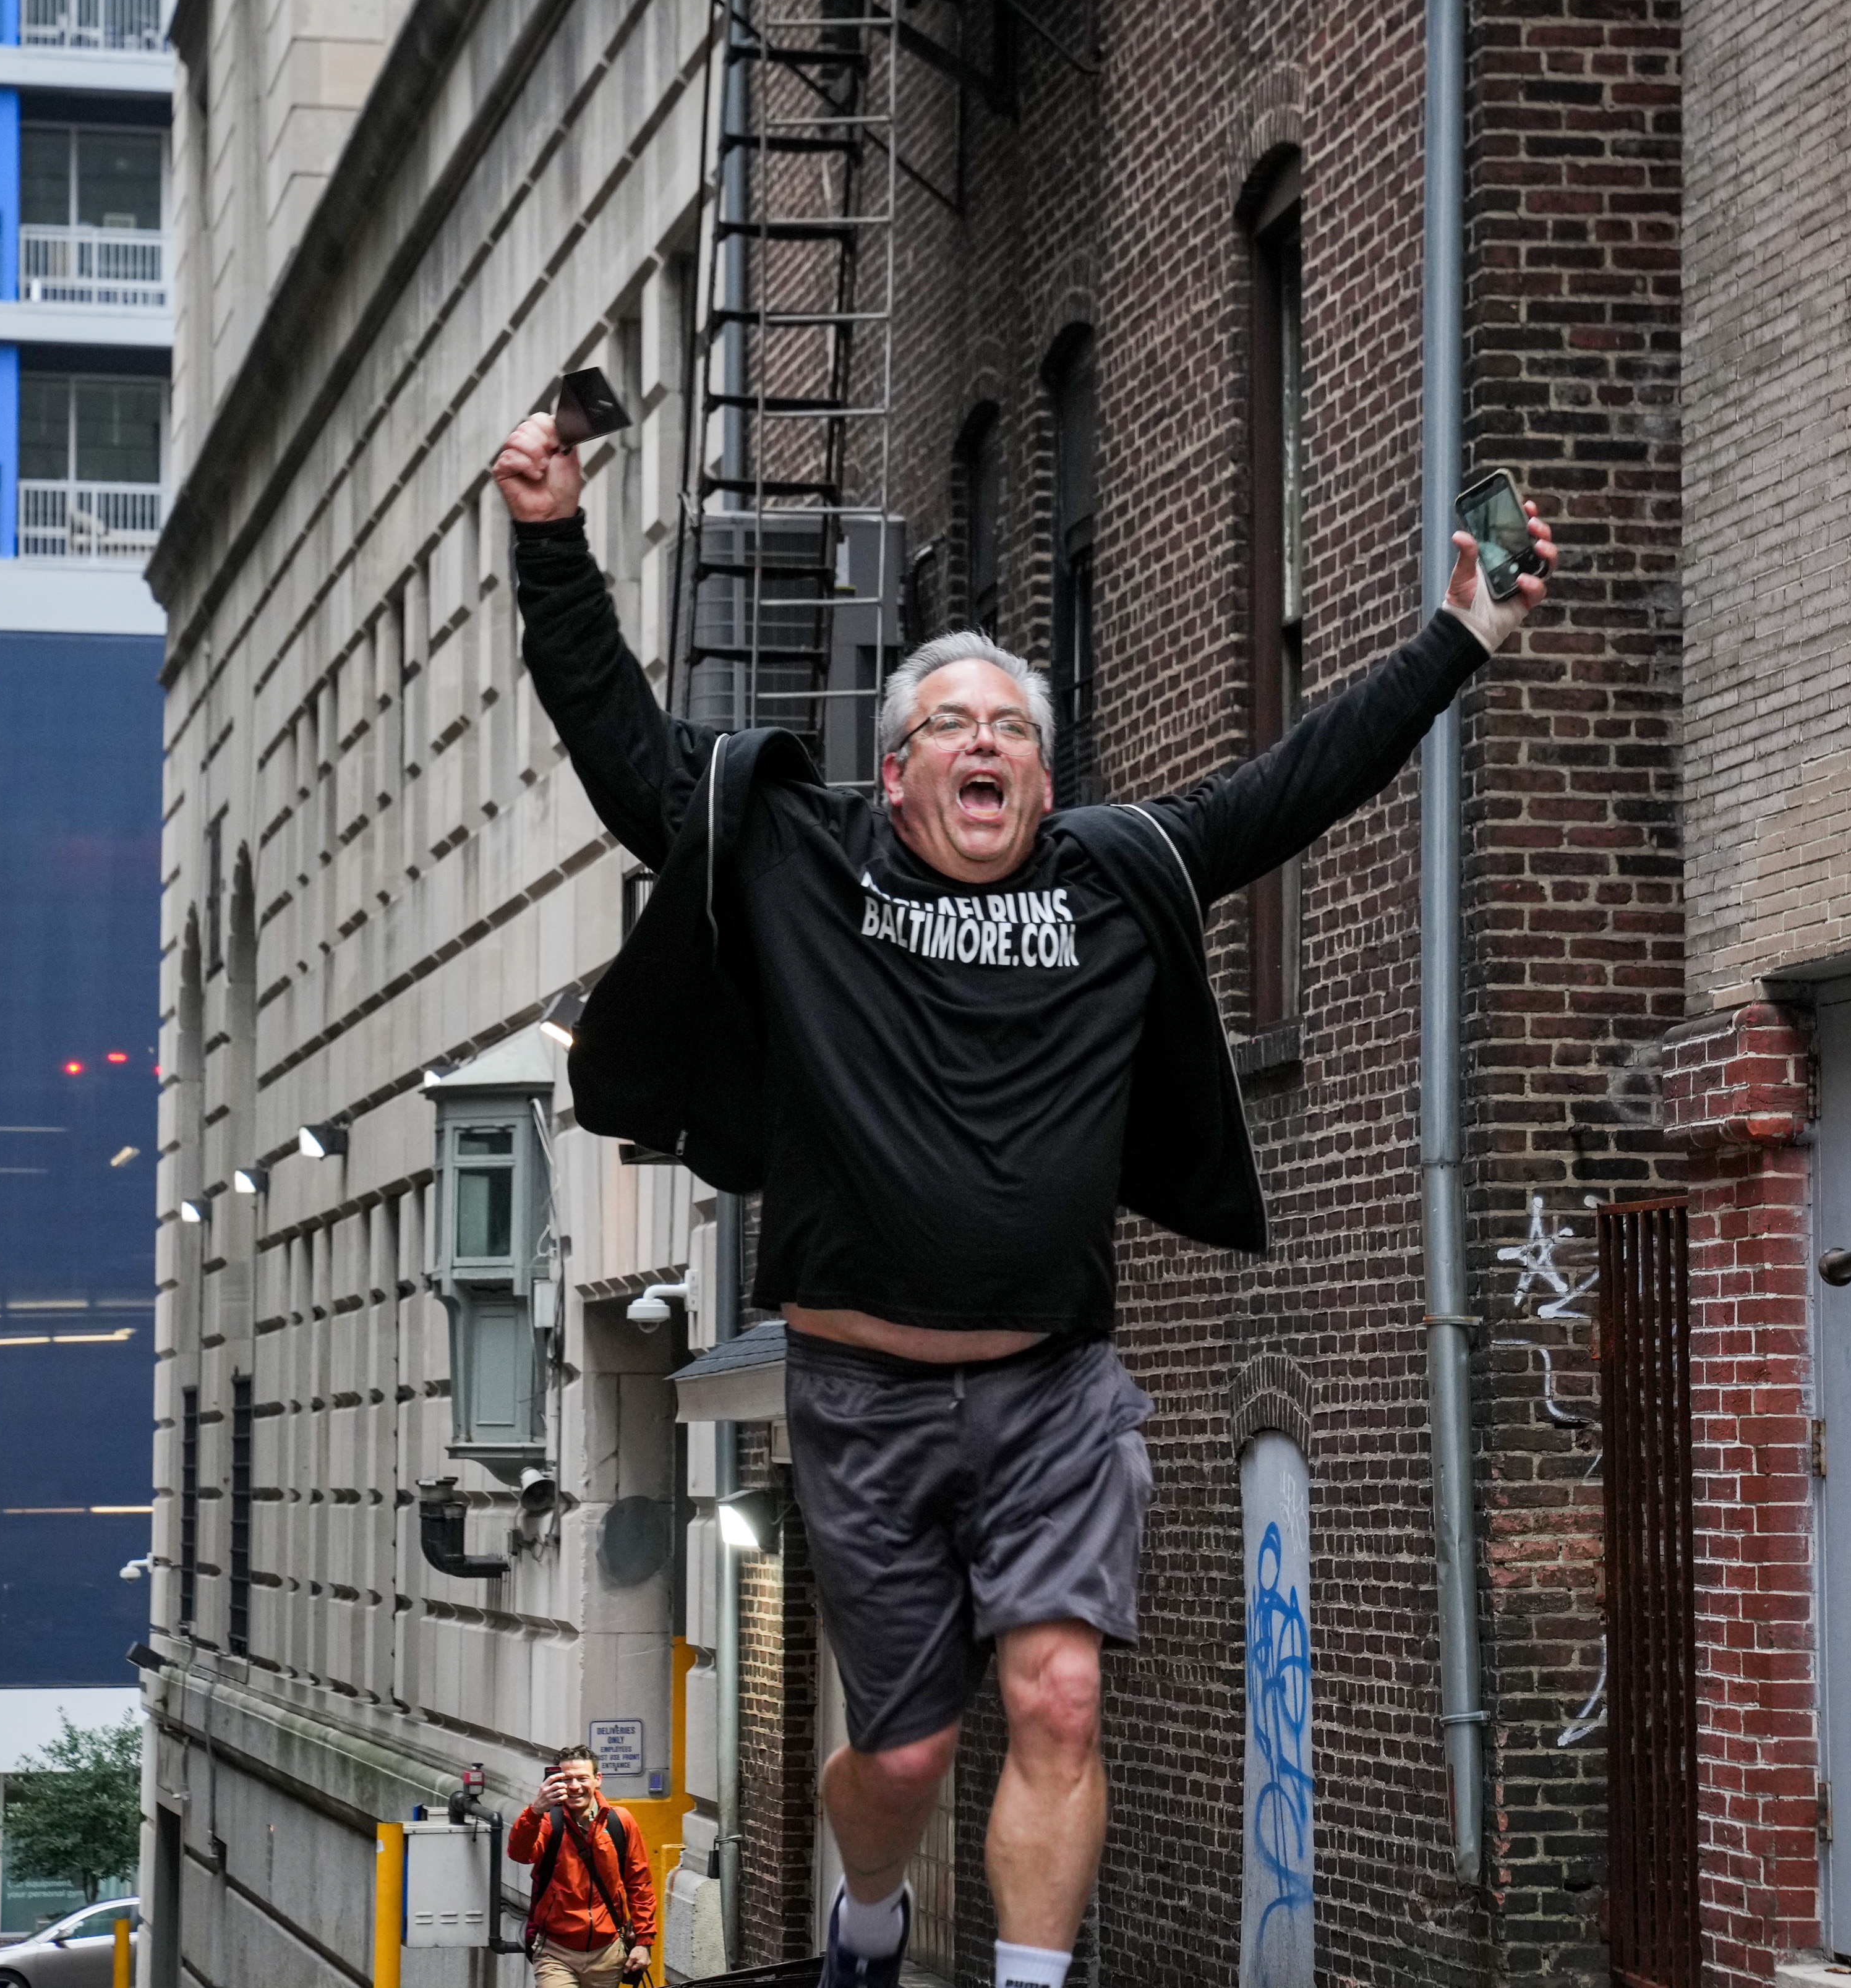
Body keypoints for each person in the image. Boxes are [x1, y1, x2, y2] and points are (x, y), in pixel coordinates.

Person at [491, 410, 1552, 1988]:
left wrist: (1458, 634)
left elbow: (1299, 784)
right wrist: (551, 541)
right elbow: (623, 748)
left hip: (1054, 1391)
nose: (984, 743)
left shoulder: (1113, 875)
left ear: (1041, 777)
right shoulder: (801, 859)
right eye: (951, 722)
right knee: (903, 1762)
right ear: (893, 763)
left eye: (1012, 728)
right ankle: (867, 1923)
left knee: (1057, 1698)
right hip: (862, 1400)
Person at [505, 1746, 655, 1985]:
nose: (575, 1786)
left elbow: (640, 1883)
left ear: (598, 1780)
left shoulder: (619, 1822)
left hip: (607, 1953)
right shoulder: (546, 1821)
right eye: (567, 1779)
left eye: (582, 1778)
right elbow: (520, 1854)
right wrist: (535, 1811)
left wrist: (644, 1942)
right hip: (556, 1952)